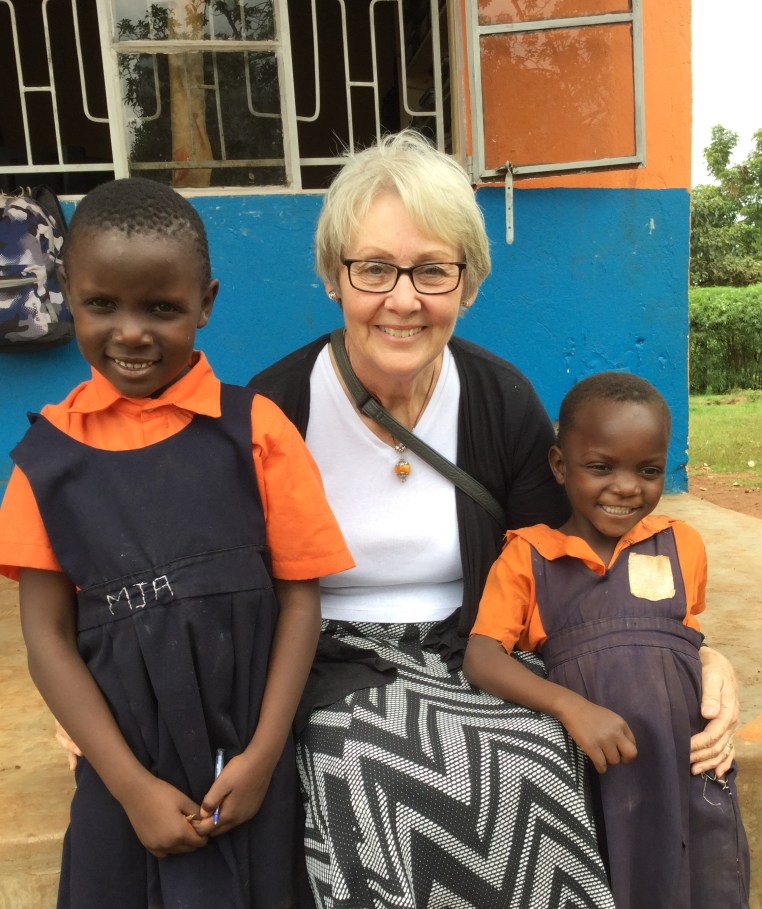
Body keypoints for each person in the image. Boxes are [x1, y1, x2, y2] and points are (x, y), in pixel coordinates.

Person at [248, 131, 740, 908]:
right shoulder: (275, 407)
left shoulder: (497, 398)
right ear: (334, 277)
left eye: (432, 270)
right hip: (327, 660)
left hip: (472, 645)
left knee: (540, 750)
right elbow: (213, 572)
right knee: (372, 763)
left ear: (467, 283)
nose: (403, 299)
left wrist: (696, 653)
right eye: (373, 268)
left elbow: (572, 556)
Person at [0, 178, 354, 909]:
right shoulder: (47, 462)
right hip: (122, 767)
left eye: (161, 308)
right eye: (102, 304)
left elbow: (300, 602)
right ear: (68, 293)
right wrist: (130, 787)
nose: (131, 333)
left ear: (206, 302)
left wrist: (264, 756)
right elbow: (46, 639)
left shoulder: (255, 432)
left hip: (246, 760)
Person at [464, 371, 750, 909]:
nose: (626, 487)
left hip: (685, 760)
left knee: (703, 877)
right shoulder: (529, 557)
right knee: (611, 879)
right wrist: (570, 706)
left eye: (648, 470)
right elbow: (481, 657)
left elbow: (687, 638)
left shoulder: (680, 543)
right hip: (595, 766)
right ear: (559, 465)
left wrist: (716, 676)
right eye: (600, 467)